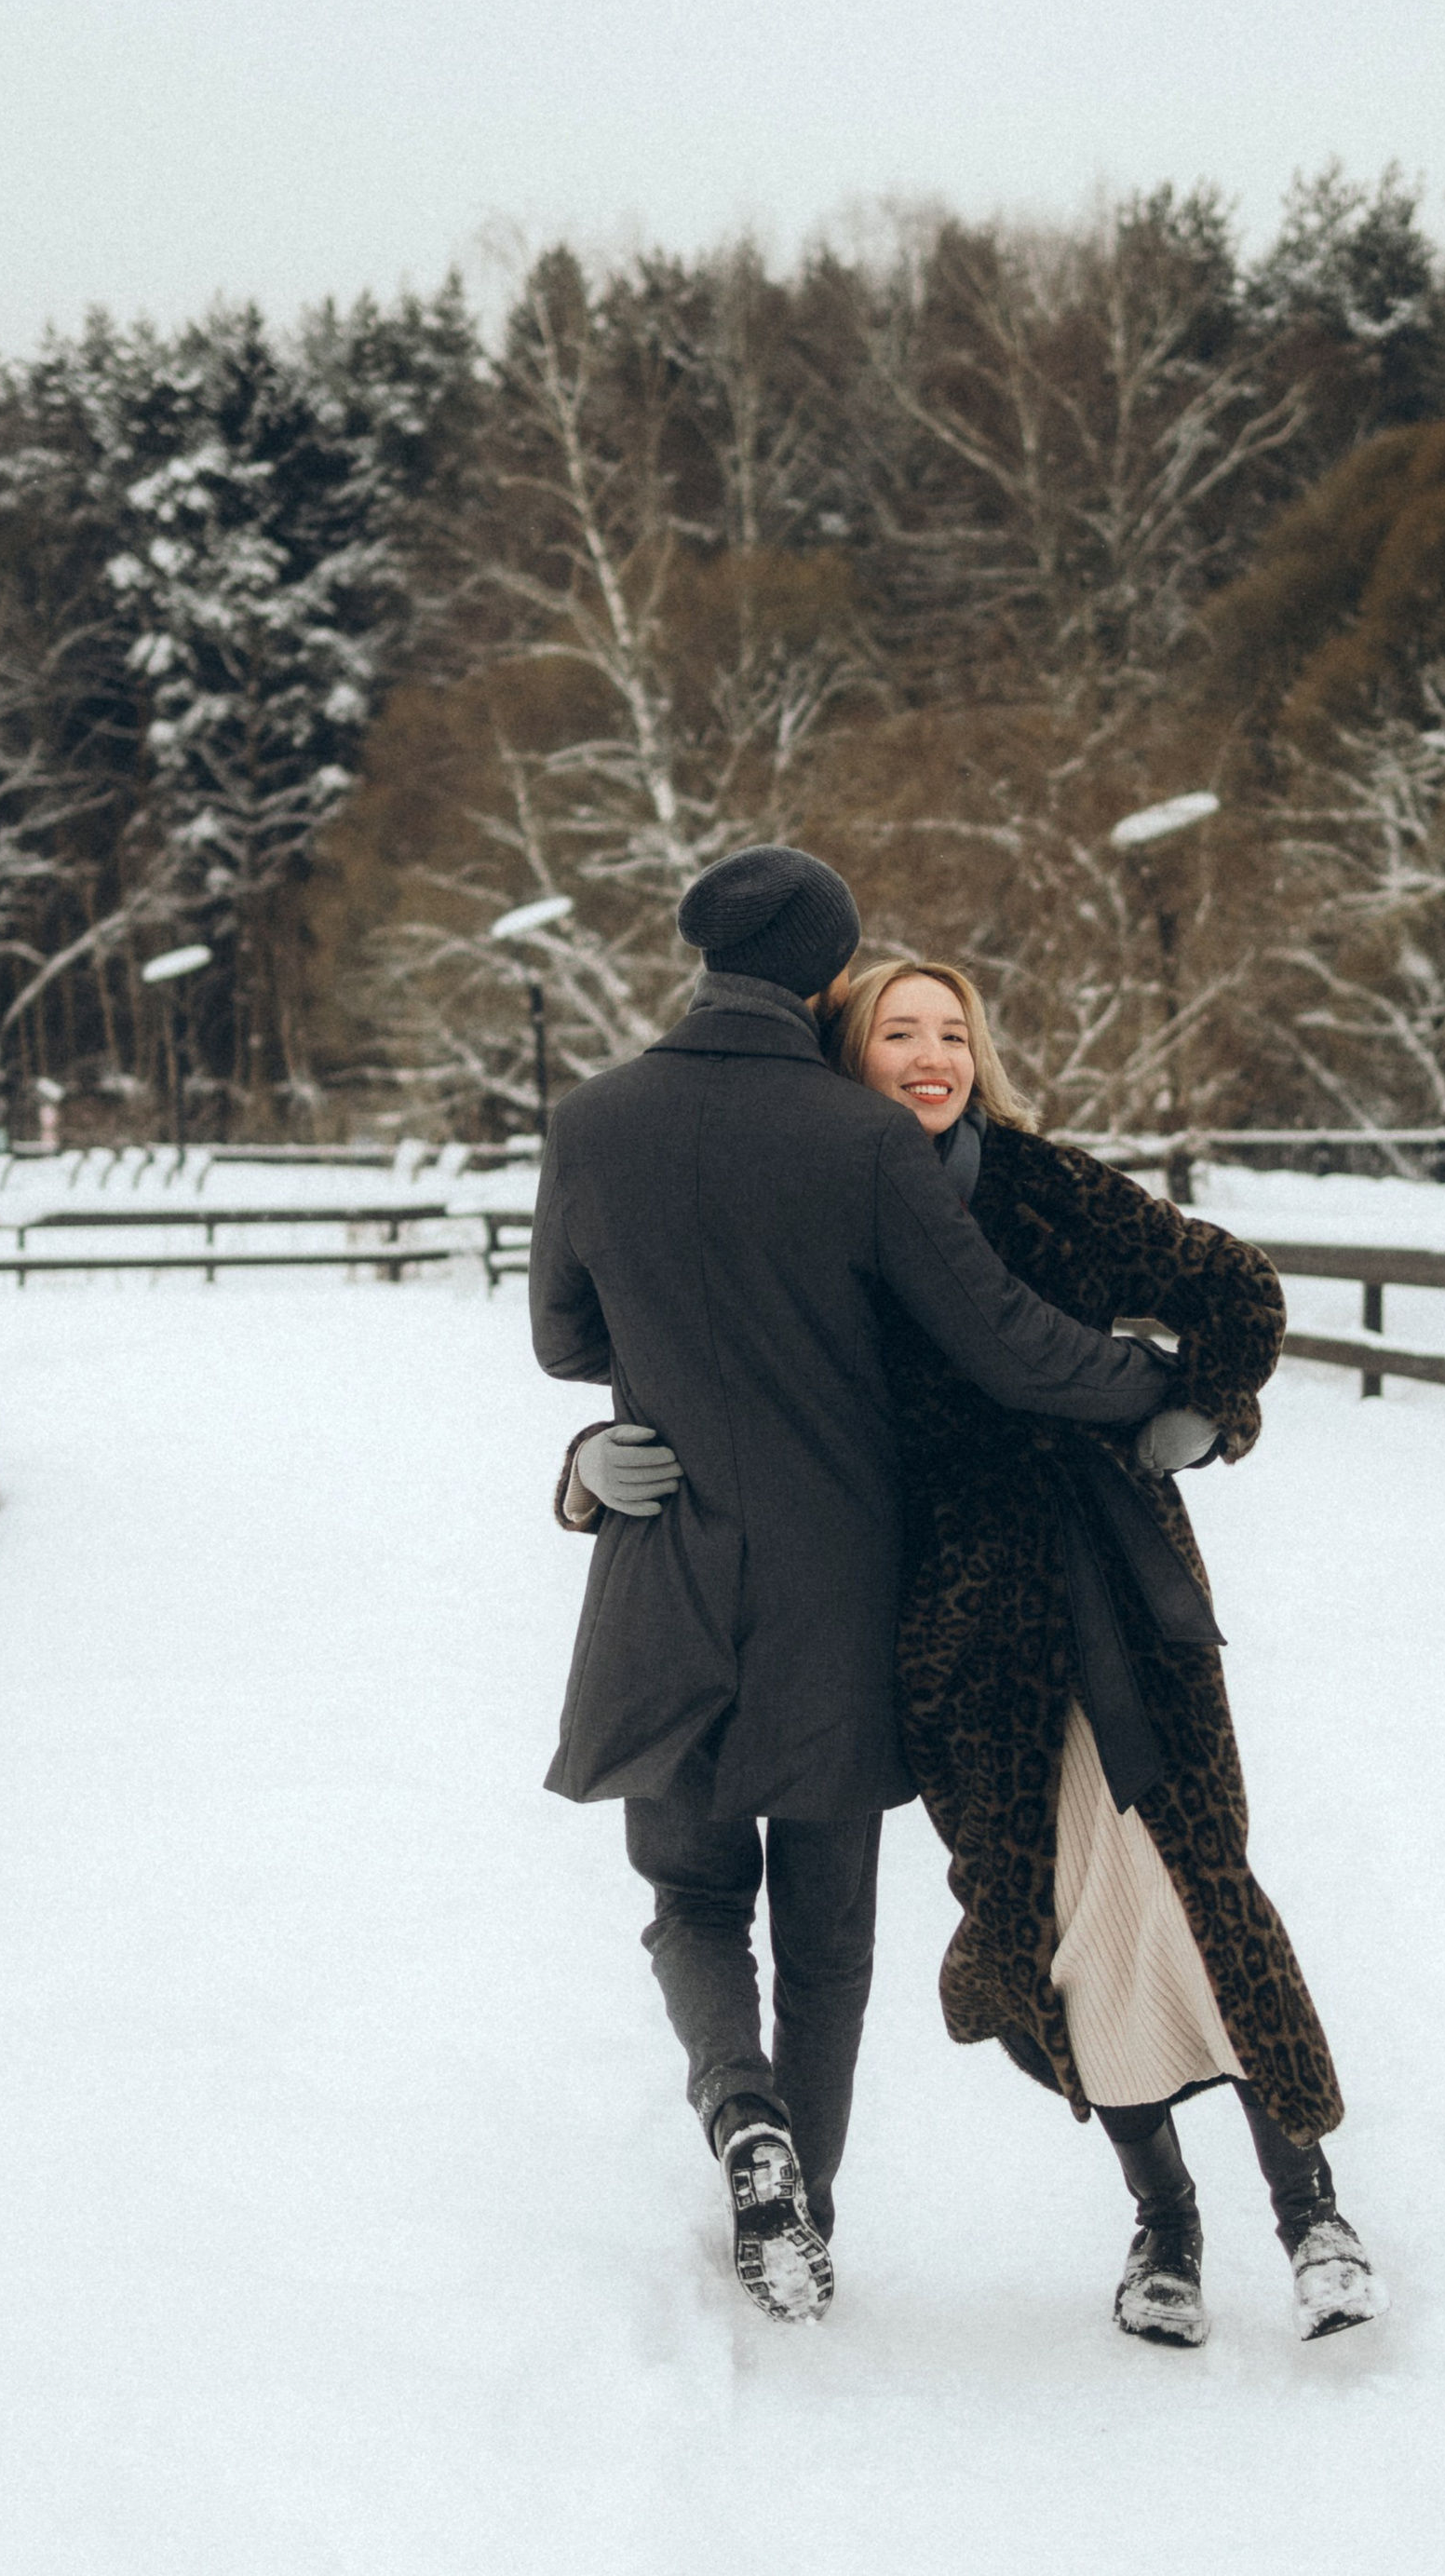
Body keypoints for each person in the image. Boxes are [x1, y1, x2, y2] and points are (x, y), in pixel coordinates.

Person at [529, 846, 1180, 2325]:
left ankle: (740, 2119)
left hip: (665, 1565)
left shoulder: (592, 1121)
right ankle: (802, 2216)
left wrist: (605, 1437)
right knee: (827, 1935)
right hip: (842, 1584)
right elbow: (1008, 1341)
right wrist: (1148, 1377)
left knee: (691, 1900)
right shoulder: (861, 1139)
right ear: (828, 977)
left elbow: (568, 1340)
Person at [831, 956, 1386, 2346]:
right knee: (1064, 1923)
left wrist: (1203, 1413)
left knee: (1197, 1879)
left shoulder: (1038, 1186)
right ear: (846, 1052)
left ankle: (1311, 2209)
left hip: (1117, 1588)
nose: (932, 1054)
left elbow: (1234, 1289)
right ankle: (1164, 2225)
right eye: (898, 1032)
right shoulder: (822, 1218)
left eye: (952, 1031)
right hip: (964, 1635)